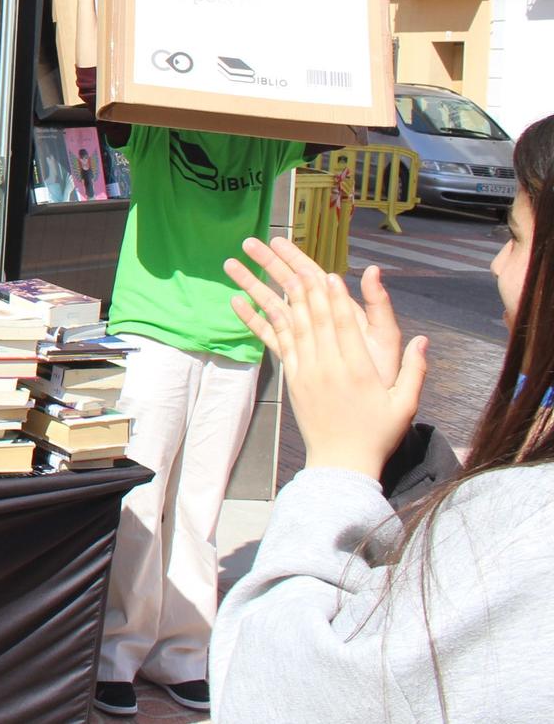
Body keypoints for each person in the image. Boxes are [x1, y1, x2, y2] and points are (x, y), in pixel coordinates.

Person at [211, 113, 554, 722]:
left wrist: (339, 464)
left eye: (516, 237)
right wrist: (394, 455)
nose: (497, 266)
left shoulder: (528, 524)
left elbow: (272, 689)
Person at [73, 0, 316, 717]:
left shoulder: (267, 120)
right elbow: (88, 80)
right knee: (141, 499)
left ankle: (183, 649)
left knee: (201, 506)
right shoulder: (155, 108)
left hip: (237, 332)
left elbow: (338, 111)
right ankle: (117, 650)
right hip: (152, 326)